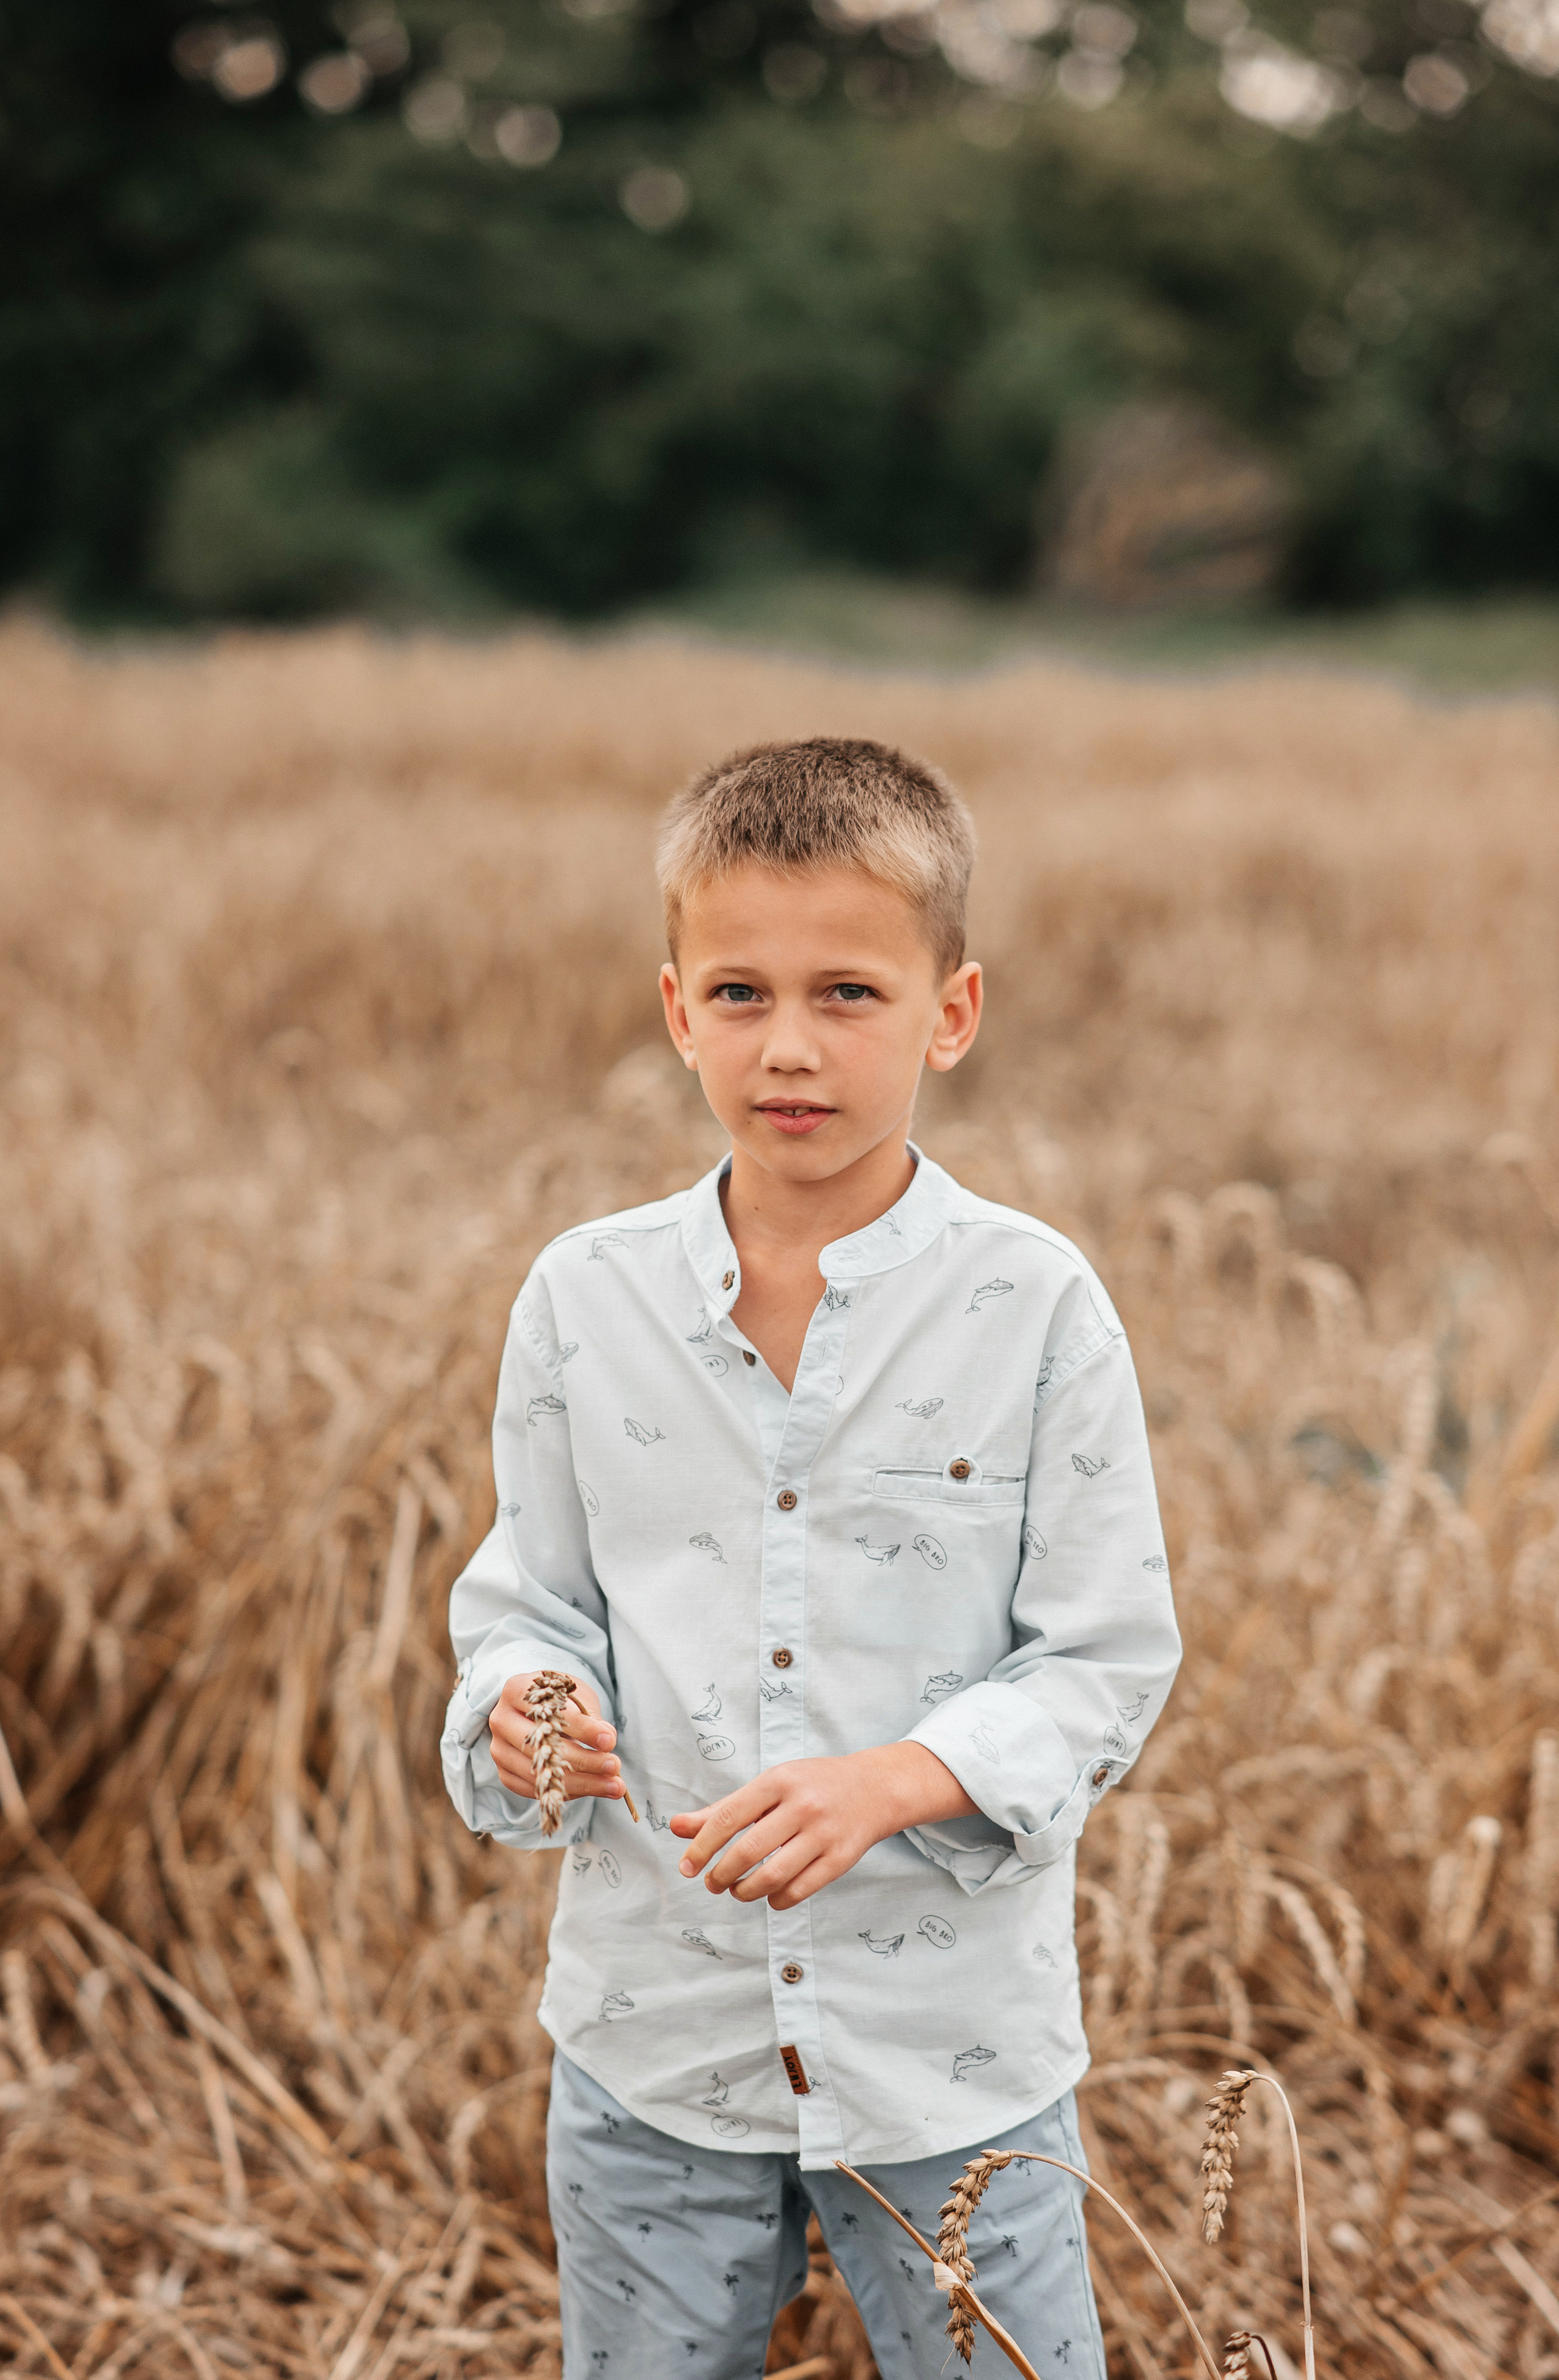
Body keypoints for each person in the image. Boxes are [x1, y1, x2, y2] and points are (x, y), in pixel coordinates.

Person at [440, 736, 1181, 2379]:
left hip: (951, 2063)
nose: (790, 1045)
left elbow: (1108, 1655)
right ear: (675, 1008)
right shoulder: (586, 1300)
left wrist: (896, 1781)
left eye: (849, 991)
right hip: (657, 2044)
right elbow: (526, 1600)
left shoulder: (1037, 1304)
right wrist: (522, 1702)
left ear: (952, 1011)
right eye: (741, 992)